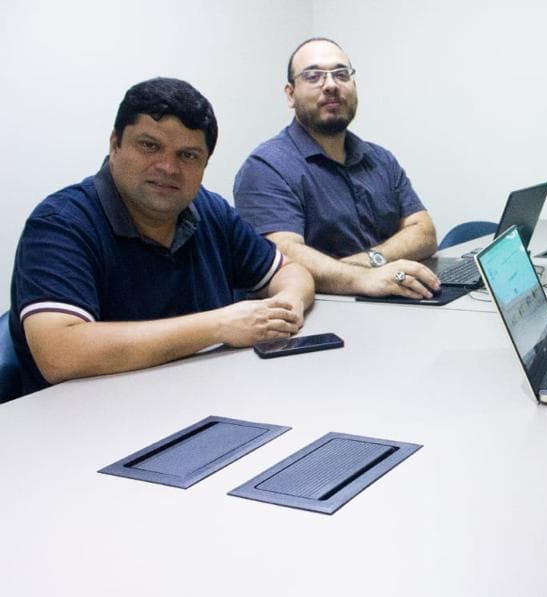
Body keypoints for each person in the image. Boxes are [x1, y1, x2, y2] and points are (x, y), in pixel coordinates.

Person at [9, 77, 315, 396]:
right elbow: (60, 353)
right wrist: (219, 325)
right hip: (90, 424)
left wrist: (285, 306)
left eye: (187, 155)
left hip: (206, 400)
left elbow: (289, 271)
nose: (168, 167)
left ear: (205, 164)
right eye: (149, 146)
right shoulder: (61, 223)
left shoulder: (209, 210)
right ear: (115, 144)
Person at [233, 37, 440, 300]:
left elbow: (423, 232)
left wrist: (372, 261)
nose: (330, 85)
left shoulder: (380, 159)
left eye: (341, 74)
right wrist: (365, 278)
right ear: (290, 93)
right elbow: (283, 255)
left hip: (390, 295)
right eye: (313, 76)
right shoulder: (266, 167)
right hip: (321, 313)